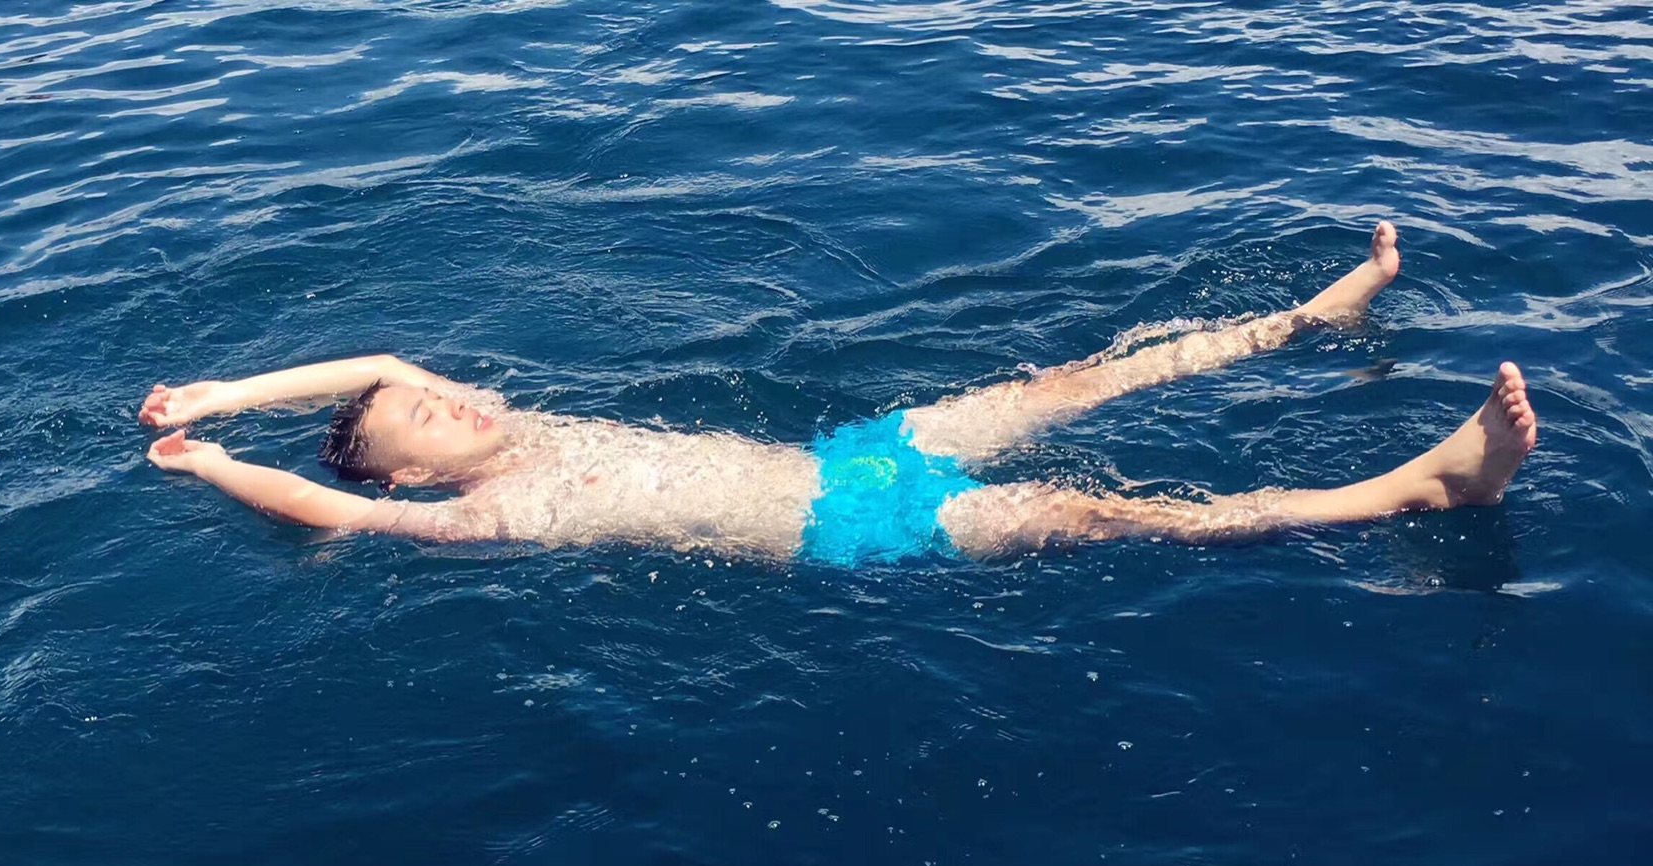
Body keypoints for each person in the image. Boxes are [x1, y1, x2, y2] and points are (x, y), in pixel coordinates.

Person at [138, 222, 1538, 563]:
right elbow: (332, 510)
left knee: (1078, 380)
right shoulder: (479, 514)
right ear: (410, 474)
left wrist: (221, 388)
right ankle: (1415, 489)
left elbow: (380, 364)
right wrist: (216, 465)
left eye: (439, 399)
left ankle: (1304, 321)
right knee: (1114, 513)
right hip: (854, 529)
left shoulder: (522, 426)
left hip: (856, 450)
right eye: (423, 427)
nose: (446, 403)